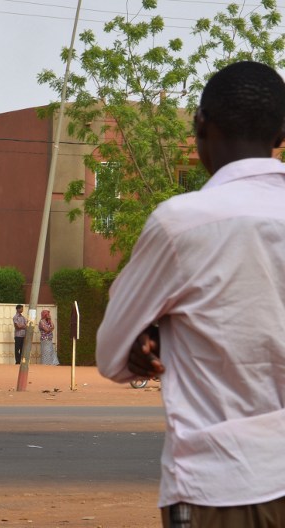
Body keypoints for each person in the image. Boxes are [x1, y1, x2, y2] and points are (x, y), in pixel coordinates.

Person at [96, 61, 285, 527]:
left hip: (220, 485)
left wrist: (154, 336)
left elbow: (110, 355)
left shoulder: (181, 224)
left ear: (201, 124)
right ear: (282, 132)